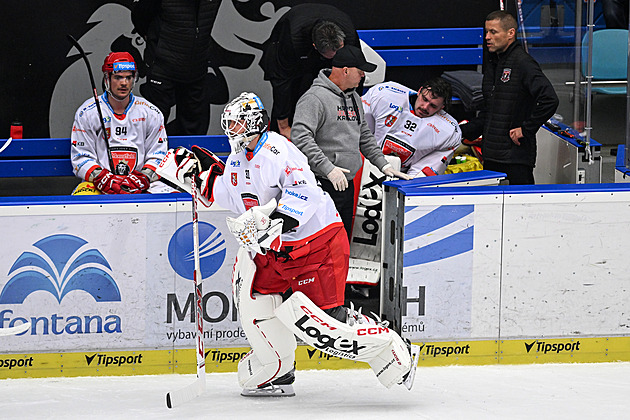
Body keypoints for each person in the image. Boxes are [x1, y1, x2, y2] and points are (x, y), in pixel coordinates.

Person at [157, 92, 419, 397]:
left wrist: (274, 221)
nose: (233, 127)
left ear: (255, 122)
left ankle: (393, 349)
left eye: (240, 121)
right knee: (253, 302)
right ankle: (276, 368)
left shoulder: (279, 150)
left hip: (315, 247)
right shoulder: (239, 158)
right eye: (231, 121)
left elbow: (304, 191)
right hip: (273, 252)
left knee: (323, 326)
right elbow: (231, 195)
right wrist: (198, 177)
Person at [291, 45, 410, 240]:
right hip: (321, 184)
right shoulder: (314, 98)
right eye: (360, 71)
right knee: (323, 242)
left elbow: (364, 134)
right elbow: (300, 137)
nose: (363, 75)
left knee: (342, 240)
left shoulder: (354, 97)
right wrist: (328, 168)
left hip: (346, 183)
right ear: (345, 70)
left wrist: (383, 164)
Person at [460, 10, 559, 185]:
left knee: (521, 208)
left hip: (516, 158)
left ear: (510, 33)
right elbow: (491, 111)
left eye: (493, 32)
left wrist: (526, 129)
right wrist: (460, 132)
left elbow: (549, 99)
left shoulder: (523, 63)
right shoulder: (493, 63)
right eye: (486, 32)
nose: (487, 37)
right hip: (491, 155)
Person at [70, 52, 168, 194]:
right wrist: (103, 178)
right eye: (118, 77)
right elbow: (80, 157)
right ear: (106, 79)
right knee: (81, 202)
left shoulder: (150, 112)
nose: (124, 83)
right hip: (99, 185)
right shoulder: (87, 112)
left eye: (129, 77)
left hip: (141, 185)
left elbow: (158, 155)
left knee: (175, 200)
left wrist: (142, 179)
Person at [260, 3, 361, 139]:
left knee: (339, 90)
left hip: (329, 31)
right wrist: (284, 127)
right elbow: (281, 82)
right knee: (297, 94)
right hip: (292, 52)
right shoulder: (292, 40)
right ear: (316, 47)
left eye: (340, 51)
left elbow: (358, 72)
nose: (339, 57)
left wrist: (353, 121)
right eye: (333, 55)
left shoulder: (348, 33)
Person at [131, 0, 222, 135]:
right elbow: (139, 16)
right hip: (162, 68)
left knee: (195, 134)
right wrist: (156, 42)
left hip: (196, 69)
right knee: (152, 130)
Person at [362, 77, 462, 177]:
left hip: (402, 175)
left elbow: (424, 172)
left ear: (442, 107)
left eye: (433, 106)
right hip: (366, 162)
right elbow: (359, 133)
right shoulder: (384, 94)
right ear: (419, 91)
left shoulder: (450, 131)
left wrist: (406, 186)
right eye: (424, 99)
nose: (425, 107)